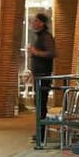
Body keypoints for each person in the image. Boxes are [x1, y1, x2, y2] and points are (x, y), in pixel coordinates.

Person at [28, 13, 56, 145]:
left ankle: (42, 132)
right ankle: (40, 131)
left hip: (43, 76)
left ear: (42, 23)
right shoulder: (39, 37)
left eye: (36, 20)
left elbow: (52, 53)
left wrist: (36, 52)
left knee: (41, 104)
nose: (33, 23)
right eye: (33, 21)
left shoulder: (46, 36)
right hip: (38, 75)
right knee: (38, 103)